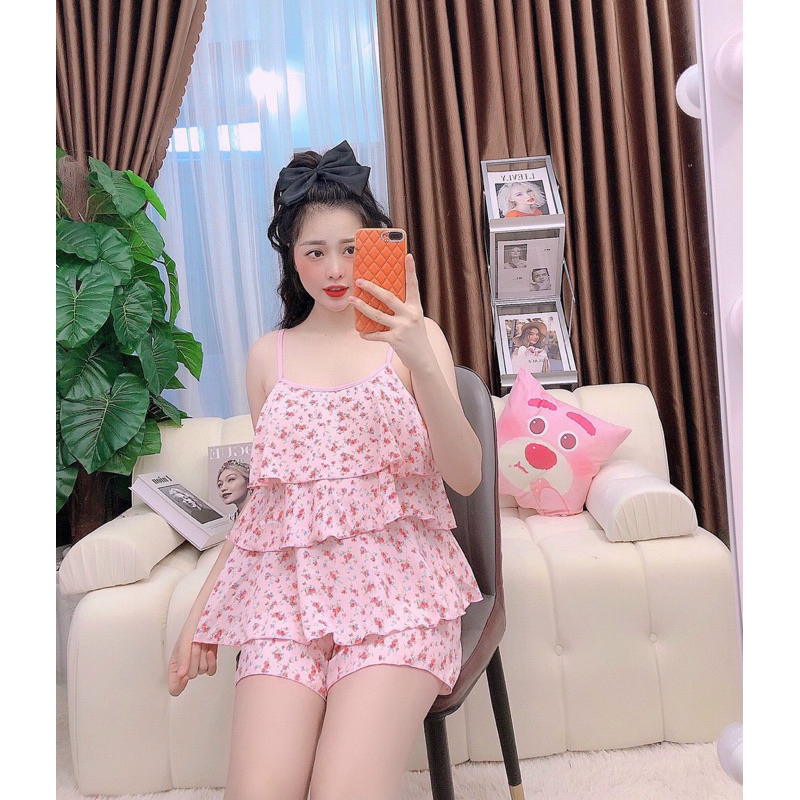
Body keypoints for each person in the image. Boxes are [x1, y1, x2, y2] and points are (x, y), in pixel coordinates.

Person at [167, 140, 483, 800]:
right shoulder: (269, 357)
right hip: (290, 602)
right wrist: (203, 612)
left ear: (375, 248)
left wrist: (420, 357)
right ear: (291, 256)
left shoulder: (415, 340)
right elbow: (267, 509)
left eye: (349, 249)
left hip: (401, 597)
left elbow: (466, 477)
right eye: (315, 252)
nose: (335, 270)